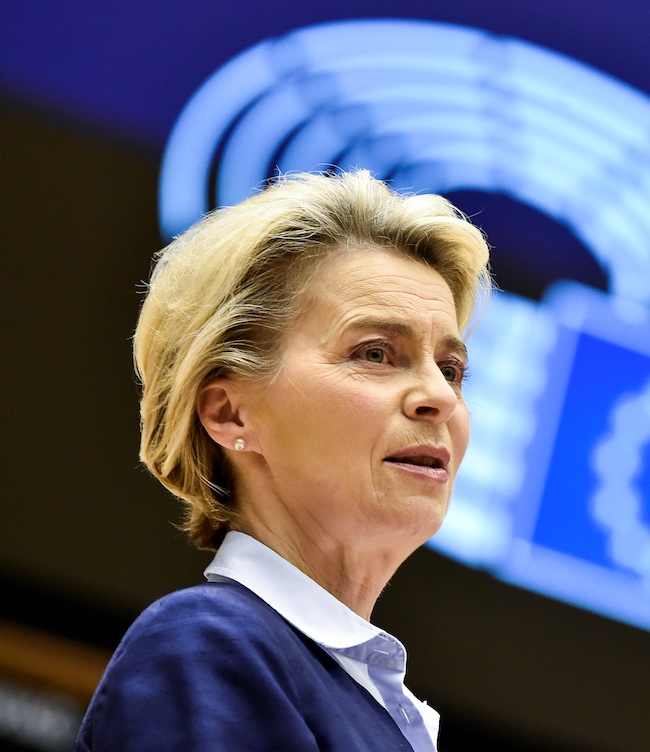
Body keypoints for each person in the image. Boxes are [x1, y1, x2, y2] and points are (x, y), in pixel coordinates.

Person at [75, 170, 490, 751]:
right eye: (375, 353)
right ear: (230, 414)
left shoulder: (368, 702)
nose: (441, 397)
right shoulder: (209, 645)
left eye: (450, 370)